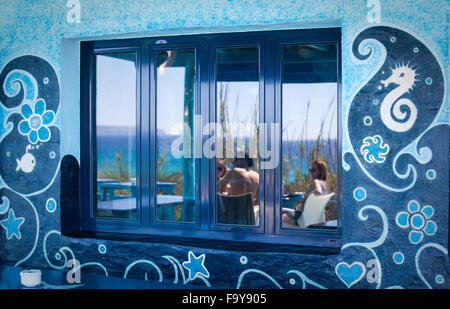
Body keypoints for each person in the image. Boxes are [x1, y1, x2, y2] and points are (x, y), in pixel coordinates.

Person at [282, 159, 329, 226]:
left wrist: (303, 200)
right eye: (310, 170)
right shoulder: (324, 184)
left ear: (320, 172)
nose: (311, 173)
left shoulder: (316, 181)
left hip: (301, 221)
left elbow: (318, 192)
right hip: (313, 220)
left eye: (313, 170)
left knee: (282, 217)